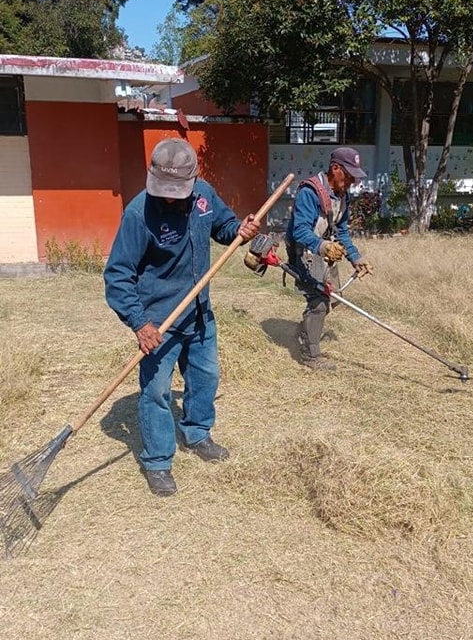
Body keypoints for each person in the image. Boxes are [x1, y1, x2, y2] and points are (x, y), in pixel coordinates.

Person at [104, 138, 260, 497]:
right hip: (159, 321)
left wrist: (240, 230)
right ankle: (158, 461)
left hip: (200, 313)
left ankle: (197, 433)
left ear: (193, 179)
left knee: (206, 378)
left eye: (179, 190)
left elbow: (223, 227)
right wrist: (140, 323)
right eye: (165, 190)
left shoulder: (204, 196)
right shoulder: (138, 214)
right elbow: (117, 276)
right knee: (157, 391)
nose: (171, 197)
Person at [285, 146, 371, 371]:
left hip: (324, 250)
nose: (353, 180)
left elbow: (341, 231)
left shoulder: (342, 196)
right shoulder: (310, 192)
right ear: (335, 168)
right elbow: (300, 231)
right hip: (304, 251)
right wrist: (323, 246)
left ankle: (304, 331)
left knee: (331, 297)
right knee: (319, 302)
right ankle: (310, 355)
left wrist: (355, 258)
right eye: (350, 174)